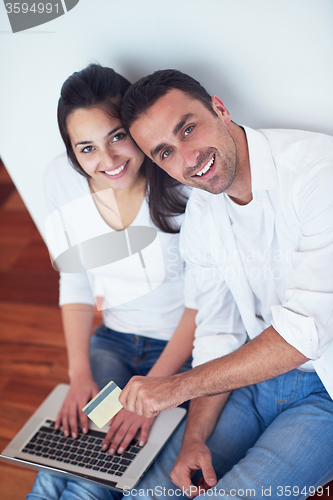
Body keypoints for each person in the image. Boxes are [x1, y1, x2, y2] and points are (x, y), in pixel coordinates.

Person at [112, 69, 333, 499]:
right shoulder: (201, 216)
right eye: (165, 153)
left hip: (326, 391)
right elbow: (217, 330)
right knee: (148, 494)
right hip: (249, 379)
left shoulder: (318, 173)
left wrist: (175, 387)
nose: (188, 159)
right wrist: (194, 437)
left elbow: (308, 334)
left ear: (220, 108)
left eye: (188, 129)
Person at [27, 65, 197, 500]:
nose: (107, 160)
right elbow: (76, 278)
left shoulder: (182, 187)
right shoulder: (61, 181)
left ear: (137, 129)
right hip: (115, 343)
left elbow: (206, 303)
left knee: (93, 479)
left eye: (117, 136)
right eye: (86, 148)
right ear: (71, 153)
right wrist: (78, 373)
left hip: (180, 356)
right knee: (60, 460)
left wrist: (158, 391)